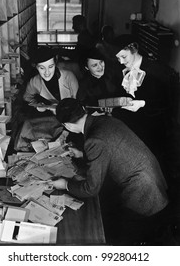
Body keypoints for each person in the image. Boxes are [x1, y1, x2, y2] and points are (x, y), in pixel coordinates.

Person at [49, 98, 170, 245]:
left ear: (66, 125)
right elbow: (110, 147)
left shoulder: (94, 140)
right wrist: (81, 154)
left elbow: (91, 189)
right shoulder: (105, 120)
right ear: (83, 109)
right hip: (154, 180)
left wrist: (65, 184)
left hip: (144, 196)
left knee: (120, 239)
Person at [110, 34, 173, 170]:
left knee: (153, 165)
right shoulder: (122, 70)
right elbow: (120, 94)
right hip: (132, 125)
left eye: (124, 57)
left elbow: (166, 102)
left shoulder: (156, 70)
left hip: (152, 126)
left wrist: (142, 103)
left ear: (134, 49)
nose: (121, 61)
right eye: (118, 58)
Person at [14, 46, 79, 151]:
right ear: (36, 67)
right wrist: (39, 106)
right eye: (42, 68)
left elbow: (78, 106)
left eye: (51, 66)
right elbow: (27, 99)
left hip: (73, 120)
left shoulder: (69, 77)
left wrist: (65, 133)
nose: (47, 72)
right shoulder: (34, 82)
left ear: (55, 63)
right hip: (54, 120)